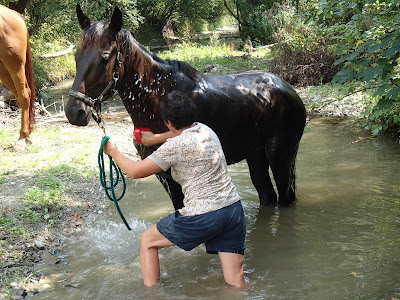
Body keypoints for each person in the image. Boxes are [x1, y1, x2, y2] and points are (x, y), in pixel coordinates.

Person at [103, 91, 246, 288]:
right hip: (232, 209)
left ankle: (152, 295)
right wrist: (154, 139)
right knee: (235, 281)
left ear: (168, 121)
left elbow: (135, 171)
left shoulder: (174, 147)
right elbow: (178, 132)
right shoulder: (205, 129)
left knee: (147, 241)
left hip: (203, 215)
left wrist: (113, 151)